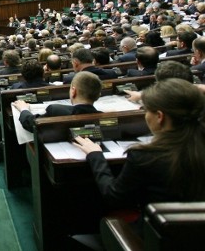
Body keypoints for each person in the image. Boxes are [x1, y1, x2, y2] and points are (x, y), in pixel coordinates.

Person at [74, 79, 205, 212]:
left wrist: (95, 155)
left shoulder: (145, 157)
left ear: (160, 116)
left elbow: (114, 197)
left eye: (146, 110)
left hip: (156, 230)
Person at [16, 71, 102, 133]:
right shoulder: (103, 117)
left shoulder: (55, 110)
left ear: (73, 91)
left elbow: (31, 123)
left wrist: (24, 109)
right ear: (98, 95)